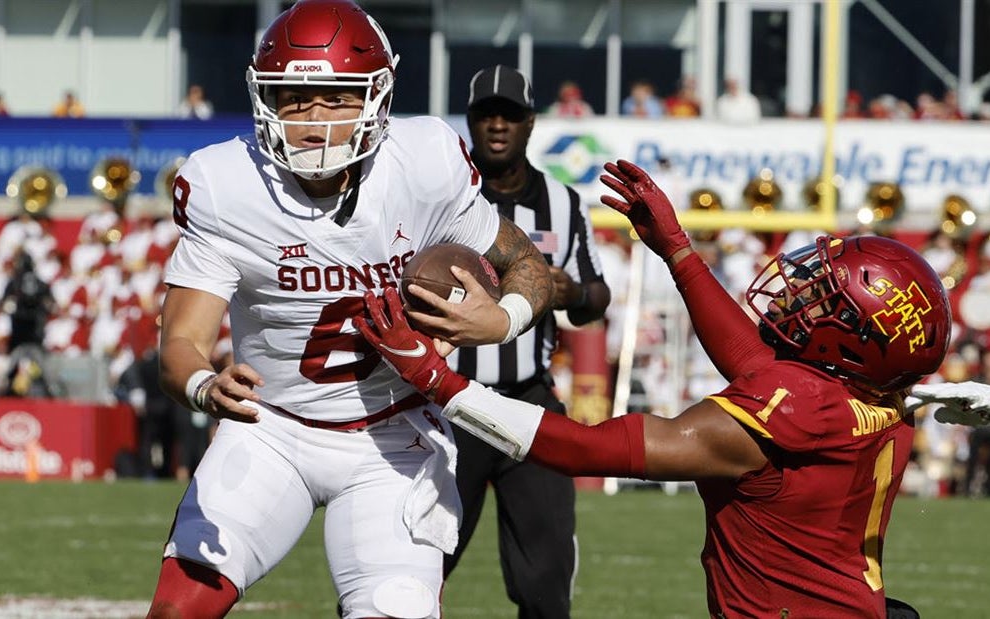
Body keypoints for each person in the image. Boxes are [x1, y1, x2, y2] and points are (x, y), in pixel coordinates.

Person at [354, 159, 961, 618]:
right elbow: (752, 361)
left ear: (854, 343)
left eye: (823, 298)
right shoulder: (881, 395)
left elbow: (588, 448)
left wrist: (439, 380)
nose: (798, 293)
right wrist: (677, 252)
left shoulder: (792, 415)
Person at [146, 2, 553, 617]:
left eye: (336, 97)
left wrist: (502, 319)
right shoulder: (225, 184)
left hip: (397, 435)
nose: (314, 120)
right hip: (271, 428)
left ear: (376, 97)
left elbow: (527, 263)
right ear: (265, 101)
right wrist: (205, 385)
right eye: (294, 98)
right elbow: (180, 345)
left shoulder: (424, 163)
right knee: (180, 608)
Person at [447, 64, 611, 618]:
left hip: (527, 401)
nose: (498, 124)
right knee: (411, 568)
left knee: (546, 583)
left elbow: (598, 296)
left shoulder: (563, 203)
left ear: (531, 122)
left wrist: (568, 292)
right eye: (487, 114)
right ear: (470, 122)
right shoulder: (443, 197)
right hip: (447, 401)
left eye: (510, 114)